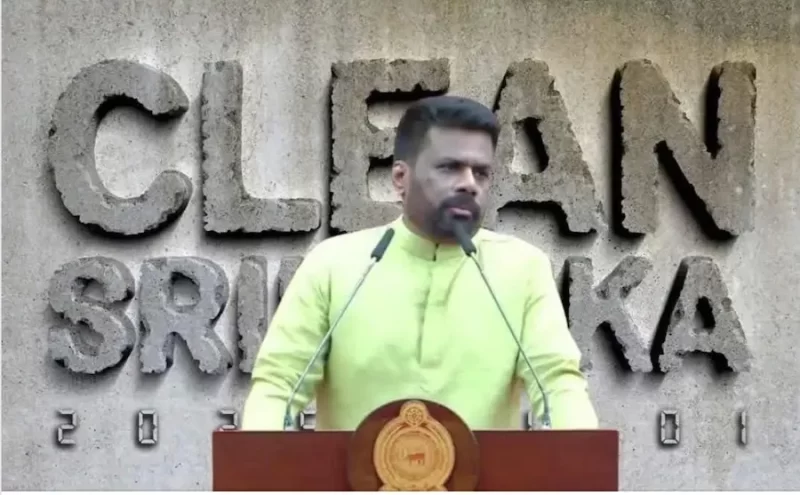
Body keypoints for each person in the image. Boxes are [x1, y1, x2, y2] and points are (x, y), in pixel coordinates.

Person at [241, 95, 598, 431]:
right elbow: (279, 383)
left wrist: (580, 455)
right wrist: (259, 457)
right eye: (450, 168)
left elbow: (558, 383)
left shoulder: (522, 269)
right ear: (401, 178)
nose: (469, 184)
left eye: (481, 172)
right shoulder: (334, 264)